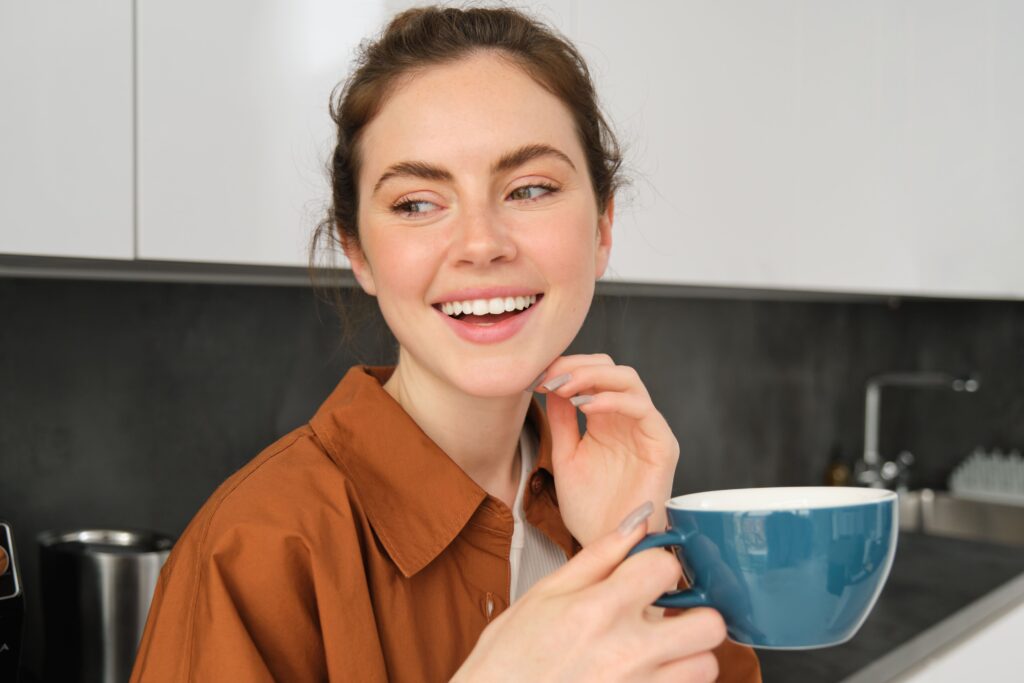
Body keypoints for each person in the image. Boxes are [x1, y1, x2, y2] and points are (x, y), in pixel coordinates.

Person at [130, 6, 761, 682]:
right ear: (358, 251)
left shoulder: (625, 507)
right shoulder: (248, 550)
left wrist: (636, 548)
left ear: (603, 227)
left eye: (529, 189)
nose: (481, 244)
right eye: (417, 203)